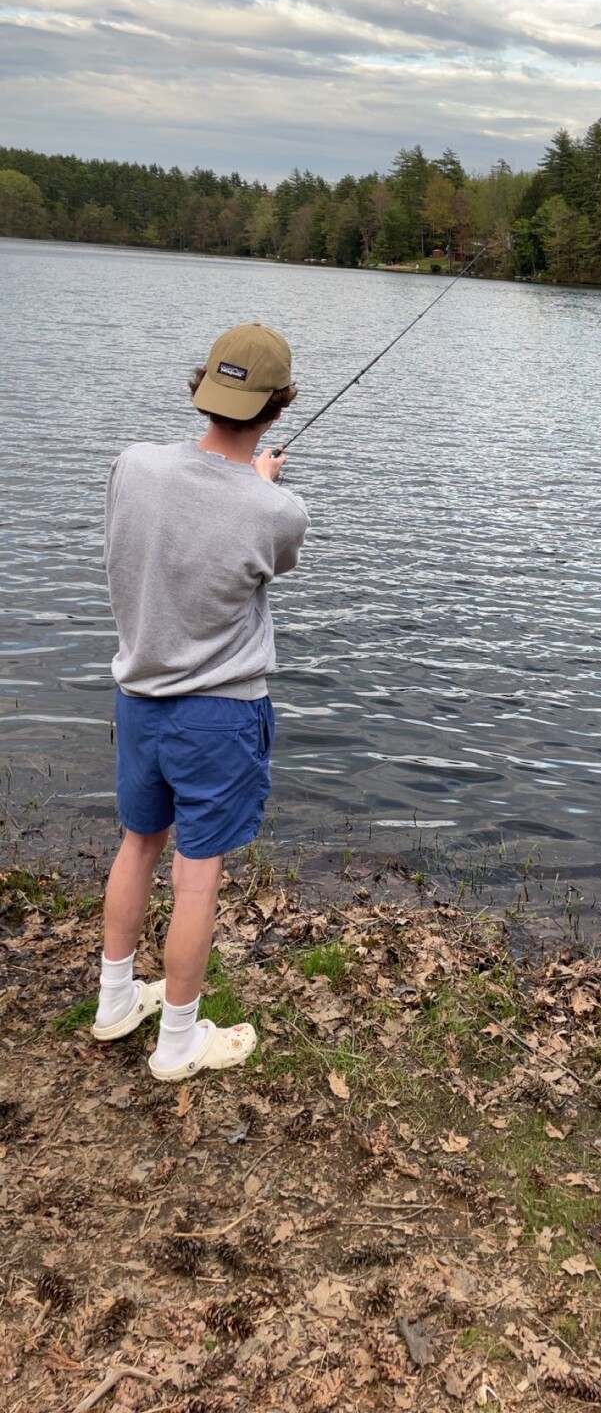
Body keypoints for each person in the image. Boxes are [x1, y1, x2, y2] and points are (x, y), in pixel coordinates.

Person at [90, 322, 309, 1081]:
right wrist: (261, 485)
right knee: (198, 875)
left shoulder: (133, 465)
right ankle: (178, 1042)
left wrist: (249, 485)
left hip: (138, 700)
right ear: (278, 407)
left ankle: (114, 1001)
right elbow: (268, 553)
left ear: (204, 390)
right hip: (219, 714)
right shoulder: (277, 510)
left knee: (137, 844)